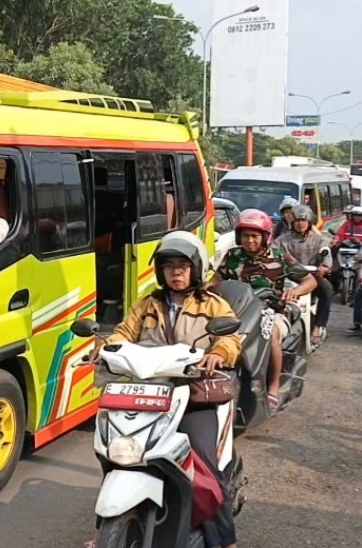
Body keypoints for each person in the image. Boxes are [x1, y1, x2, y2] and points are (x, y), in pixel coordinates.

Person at [104, 231, 241, 548]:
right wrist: (106, 349)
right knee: (121, 452)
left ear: (196, 268)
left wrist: (218, 354)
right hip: (150, 393)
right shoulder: (146, 304)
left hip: (195, 395)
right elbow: (123, 333)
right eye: (169, 266)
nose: (176, 272)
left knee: (204, 464)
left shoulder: (213, 305)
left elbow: (231, 338)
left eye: (182, 265)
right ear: (160, 271)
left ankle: (225, 540)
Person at [211, 209, 317, 409]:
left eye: (254, 236)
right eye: (245, 236)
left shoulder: (280, 257)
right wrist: (208, 288)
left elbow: (309, 281)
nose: (249, 240)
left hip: (272, 312)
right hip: (237, 312)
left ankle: (274, 387)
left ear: (265, 237)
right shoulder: (232, 255)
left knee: (272, 335)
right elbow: (216, 279)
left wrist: (295, 292)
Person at [274, 204, 333, 347]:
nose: (300, 224)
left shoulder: (320, 240)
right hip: (288, 277)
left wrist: (324, 267)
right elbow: (273, 253)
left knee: (327, 290)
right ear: (292, 222)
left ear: (309, 222)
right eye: (297, 221)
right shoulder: (282, 240)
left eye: (303, 221)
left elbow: (327, 255)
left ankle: (318, 327)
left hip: (313, 277)